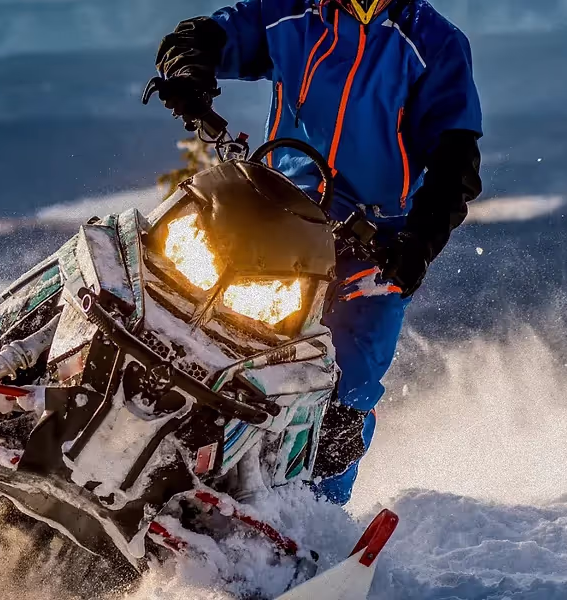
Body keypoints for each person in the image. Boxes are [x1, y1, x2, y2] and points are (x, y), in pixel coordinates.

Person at [154, 0, 483, 504]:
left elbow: (455, 158)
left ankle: (313, 522)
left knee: (344, 394)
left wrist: (417, 243)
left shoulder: (432, 43)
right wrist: (187, 65)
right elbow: (218, 33)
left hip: (371, 246)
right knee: (167, 295)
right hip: (274, 216)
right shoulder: (293, 11)